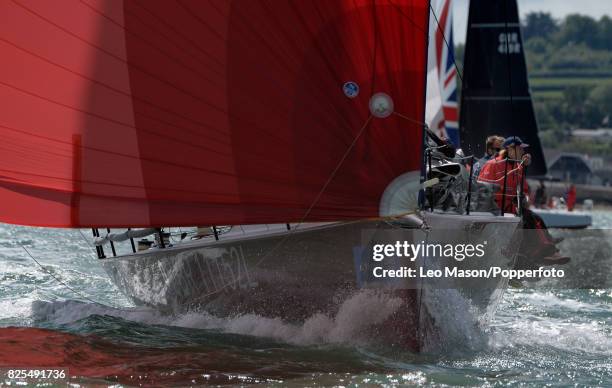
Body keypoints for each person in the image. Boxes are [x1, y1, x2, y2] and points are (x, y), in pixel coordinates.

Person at [478, 136, 569, 266]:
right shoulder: (493, 164)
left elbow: (524, 188)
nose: (522, 152)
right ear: (509, 150)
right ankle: (543, 253)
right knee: (528, 220)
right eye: (520, 149)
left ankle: (542, 253)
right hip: (495, 207)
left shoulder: (518, 167)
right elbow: (482, 187)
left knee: (534, 218)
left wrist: (523, 195)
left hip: (511, 207)